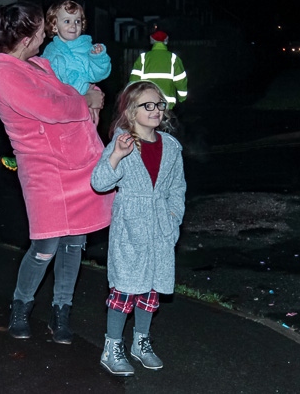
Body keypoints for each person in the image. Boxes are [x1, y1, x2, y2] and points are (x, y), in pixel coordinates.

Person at [0, 0, 114, 344]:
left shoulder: (40, 65)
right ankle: (20, 310)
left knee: (73, 243)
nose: (45, 35)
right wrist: (84, 103)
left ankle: (60, 313)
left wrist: (91, 92)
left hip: (77, 164)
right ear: (25, 37)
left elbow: (72, 86)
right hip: (44, 171)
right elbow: (50, 107)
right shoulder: (1, 71)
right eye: (40, 30)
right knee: (45, 246)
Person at [90, 80, 187, 376]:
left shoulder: (170, 147)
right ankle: (112, 346)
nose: (156, 110)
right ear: (131, 112)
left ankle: (141, 342)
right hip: (131, 228)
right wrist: (117, 156)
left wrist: (173, 218)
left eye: (159, 105)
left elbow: (177, 188)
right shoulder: (122, 142)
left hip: (160, 227)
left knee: (152, 290)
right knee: (124, 291)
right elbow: (99, 182)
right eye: (148, 105)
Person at [1, 0, 111, 172]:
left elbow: (97, 74)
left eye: (78, 21)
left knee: (81, 138)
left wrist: (98, 58)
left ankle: (90, 166)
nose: (73, 26)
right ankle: (22, 157)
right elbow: (43, 78)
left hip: (77, 99)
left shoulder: (86, 47)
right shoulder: (51, 50)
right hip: (62, 100)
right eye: (67, 21)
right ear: (54, 26)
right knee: (46, 131)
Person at [129, 30, 188, 111]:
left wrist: (133, 99)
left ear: (152, 41)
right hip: (167, 104)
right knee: (165, 123)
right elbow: (181, 81)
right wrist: (182, 99)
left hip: (147, 103)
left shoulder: (143, 58)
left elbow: (134, 81)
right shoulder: (173, 58)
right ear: (166, 41)